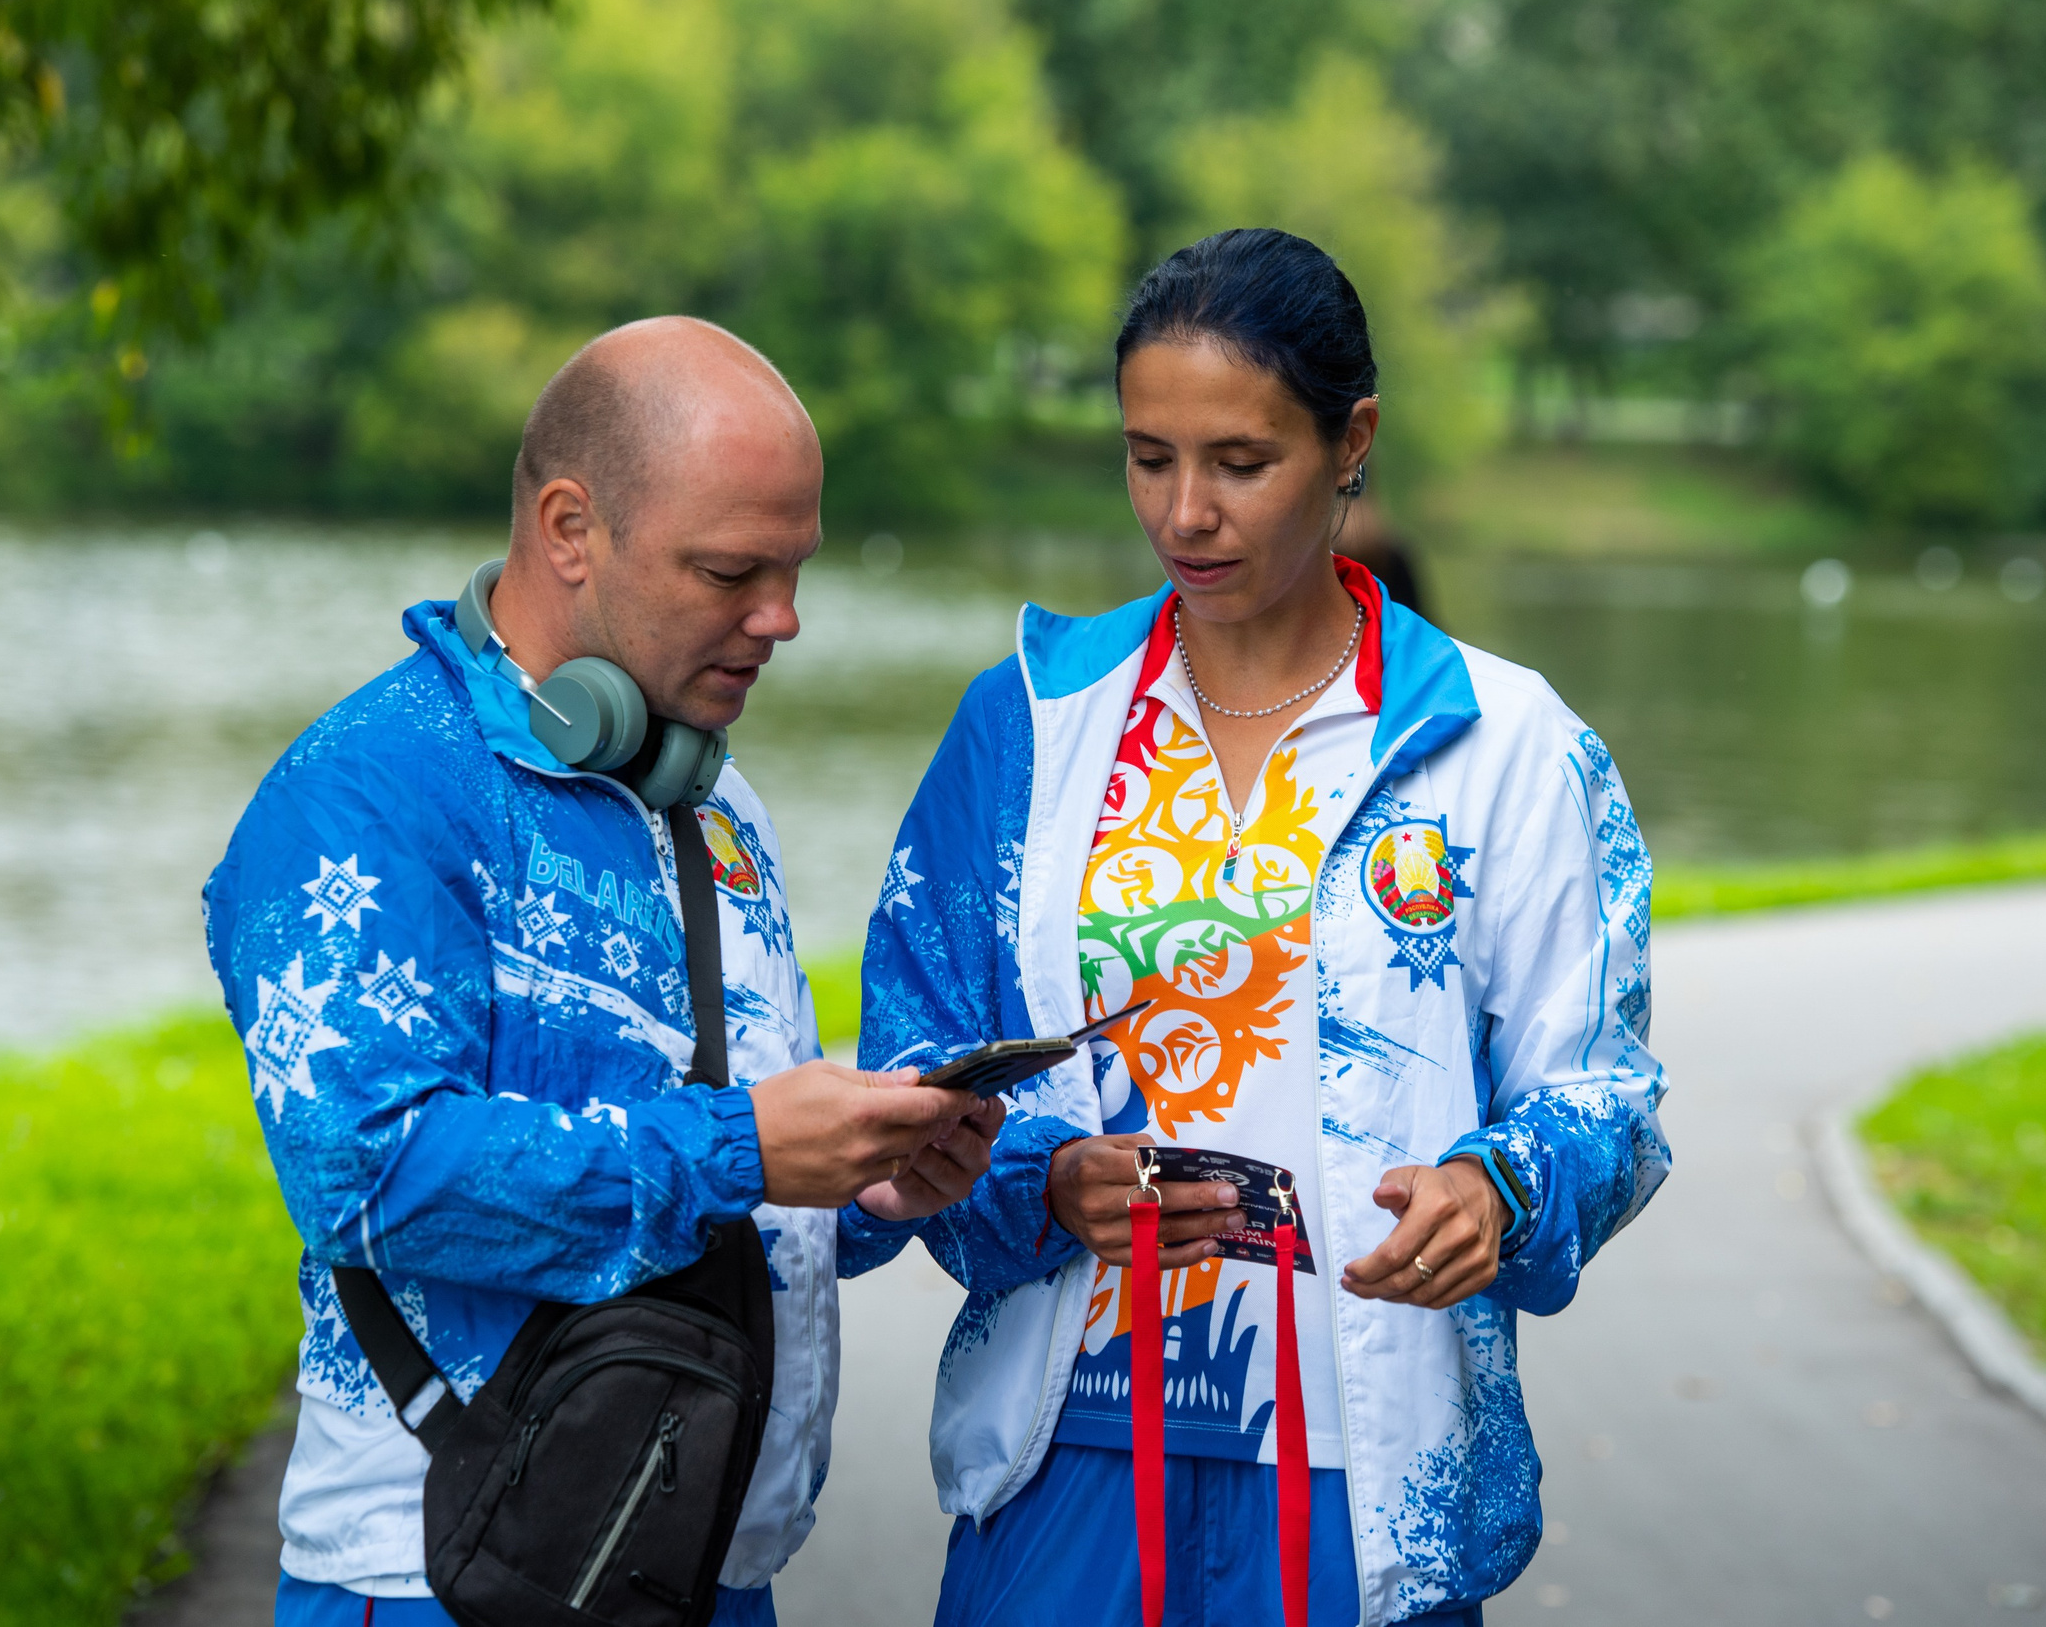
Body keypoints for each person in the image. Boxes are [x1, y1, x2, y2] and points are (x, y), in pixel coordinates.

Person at [852, 230, 1670, 1627]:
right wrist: (1041, 1182)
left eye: (1240, 462)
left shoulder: (1506, 743)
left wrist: (1503, 1187)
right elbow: (909, 1057)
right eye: (1147, 455)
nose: (1185, 514)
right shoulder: (1030, 725)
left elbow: (1610, 1095)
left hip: (1368, 1470)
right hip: (1067, 1460)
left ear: (1352, 441)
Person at [204, 317, 1003, 1626]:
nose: (782, 619)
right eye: (732, 570)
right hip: (448, 1579)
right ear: (570, 528)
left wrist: (857, 1179)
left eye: (796, 570)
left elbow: (712, 1181)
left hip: (695, 1570)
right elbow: (370, 1175)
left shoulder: (712, 792)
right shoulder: (370, 793)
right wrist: (747, 1147)